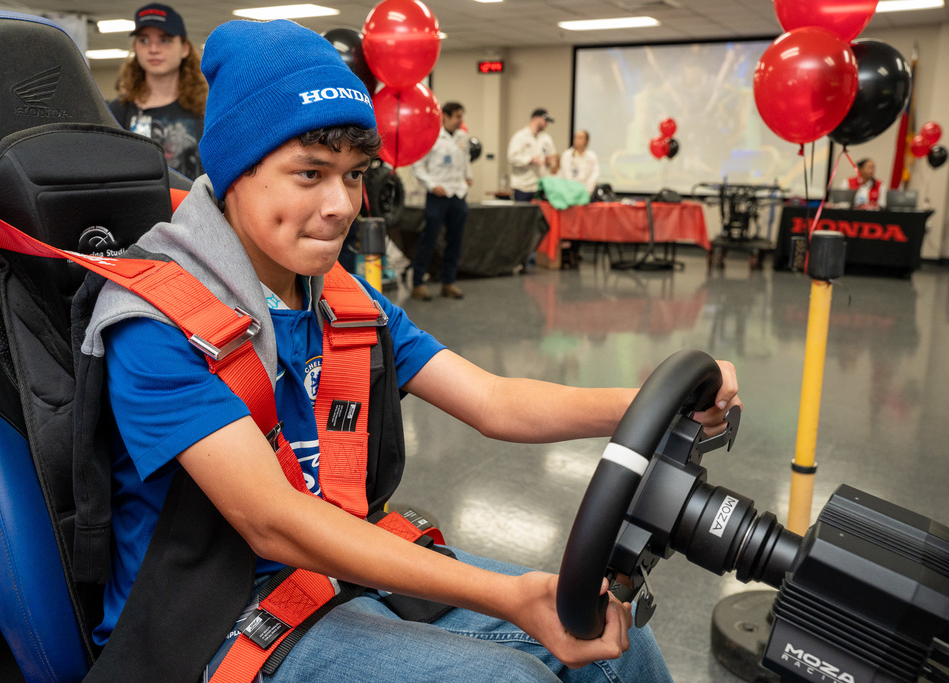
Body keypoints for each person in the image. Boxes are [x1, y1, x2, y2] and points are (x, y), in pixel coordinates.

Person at [85, 19, 742, 681]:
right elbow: (272, 521)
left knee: (623, 651)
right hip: (211, 616)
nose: (342, 204)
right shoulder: (156, 321)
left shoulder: (344, 301)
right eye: (309, 174)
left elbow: (493, 400)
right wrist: (511, 599)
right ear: (232, 172)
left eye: (354, 174)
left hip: (333, 572)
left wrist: (652, 403)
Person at [107, 3, 207, 180]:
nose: (153, 49)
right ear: (136, 47)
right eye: (144, 40)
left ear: (184, 48)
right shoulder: (117, 111)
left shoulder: (206, 108)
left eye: (165, 40)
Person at [409, 101, 472, 301]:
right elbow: (417, 165)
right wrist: (431, 185)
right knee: (429, 239)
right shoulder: (432, 136)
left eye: (461, 116)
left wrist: (468, 176)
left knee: (455, 240)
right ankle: (418, 283)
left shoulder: (463, 137)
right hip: (438, 194)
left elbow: (466, 161)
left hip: (458, 194)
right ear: (445, 115)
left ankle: (449, 282)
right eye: (457, 116)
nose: (460, 120)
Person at [507, 108, 558, 201]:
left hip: (541, 186)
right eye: (545, 120)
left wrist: (549, 162)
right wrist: (530, 160)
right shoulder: (520, 136)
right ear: (535, 118)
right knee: (523, 215)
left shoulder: (546, 139)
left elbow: (553, 159)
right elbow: (512, 158)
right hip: (523, 186)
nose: (547, 123)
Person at [558, 129, 600, 195]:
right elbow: (567, 175)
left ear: (587, 141)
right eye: (576, 137)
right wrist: (574, 190)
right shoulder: (567, 154)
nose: (577, 140)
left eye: (581, 138)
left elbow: (594, 174)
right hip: (569, 191)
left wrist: (587, 190)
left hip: (587, 191)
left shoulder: (592, 156)